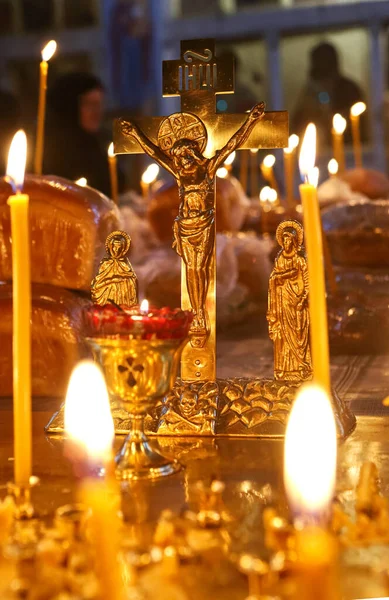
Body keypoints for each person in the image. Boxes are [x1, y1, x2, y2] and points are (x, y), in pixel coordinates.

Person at [120, 102, 265, 346]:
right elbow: (155, 153)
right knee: (190, 272)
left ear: (194, 153)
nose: (182, 161)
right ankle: (196, 314)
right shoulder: (180, 175)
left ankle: (200, 314)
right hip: (184, 229)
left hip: (203, 227)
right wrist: (135, 134)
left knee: (201, 271)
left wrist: (251, 121)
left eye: (185, 155)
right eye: (177, 158)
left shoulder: (207, 170)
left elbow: (232, 144)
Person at [43, 72, 122, 196]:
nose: (97, 112)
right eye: (90, 104)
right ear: (70, 107)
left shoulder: (101, 141)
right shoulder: (50, 150)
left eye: (100, 104)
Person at [292, 42, 365, 145]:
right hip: (319, 150)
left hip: (348, 152)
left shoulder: (349, 90)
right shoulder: (311, 91)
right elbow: (297, 125)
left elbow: (356, 128)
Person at [267, 220, 312, 382]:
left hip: (298, 301)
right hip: (283, 301)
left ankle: (302, 366)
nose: (286, 243)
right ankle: (284, 368)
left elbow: (307, 281)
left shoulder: (300, 260)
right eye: (284, 240)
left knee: (299, 335)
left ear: (294, 242)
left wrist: (304, 297)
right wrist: (283, 276)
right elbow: (274, 278)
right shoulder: (280, 259)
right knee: (283, 335)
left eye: (288, 240)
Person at [91, 230, 138, 306]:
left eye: (119, 247)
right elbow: (97, 285)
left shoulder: (124, 264)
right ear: (110, 247)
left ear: (123, 248)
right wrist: (112, 280)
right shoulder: (106, 264)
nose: (116, 249)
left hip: (122, 302)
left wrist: (125, 281)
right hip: (106, 301)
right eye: (114, 247)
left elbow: (131, 279)